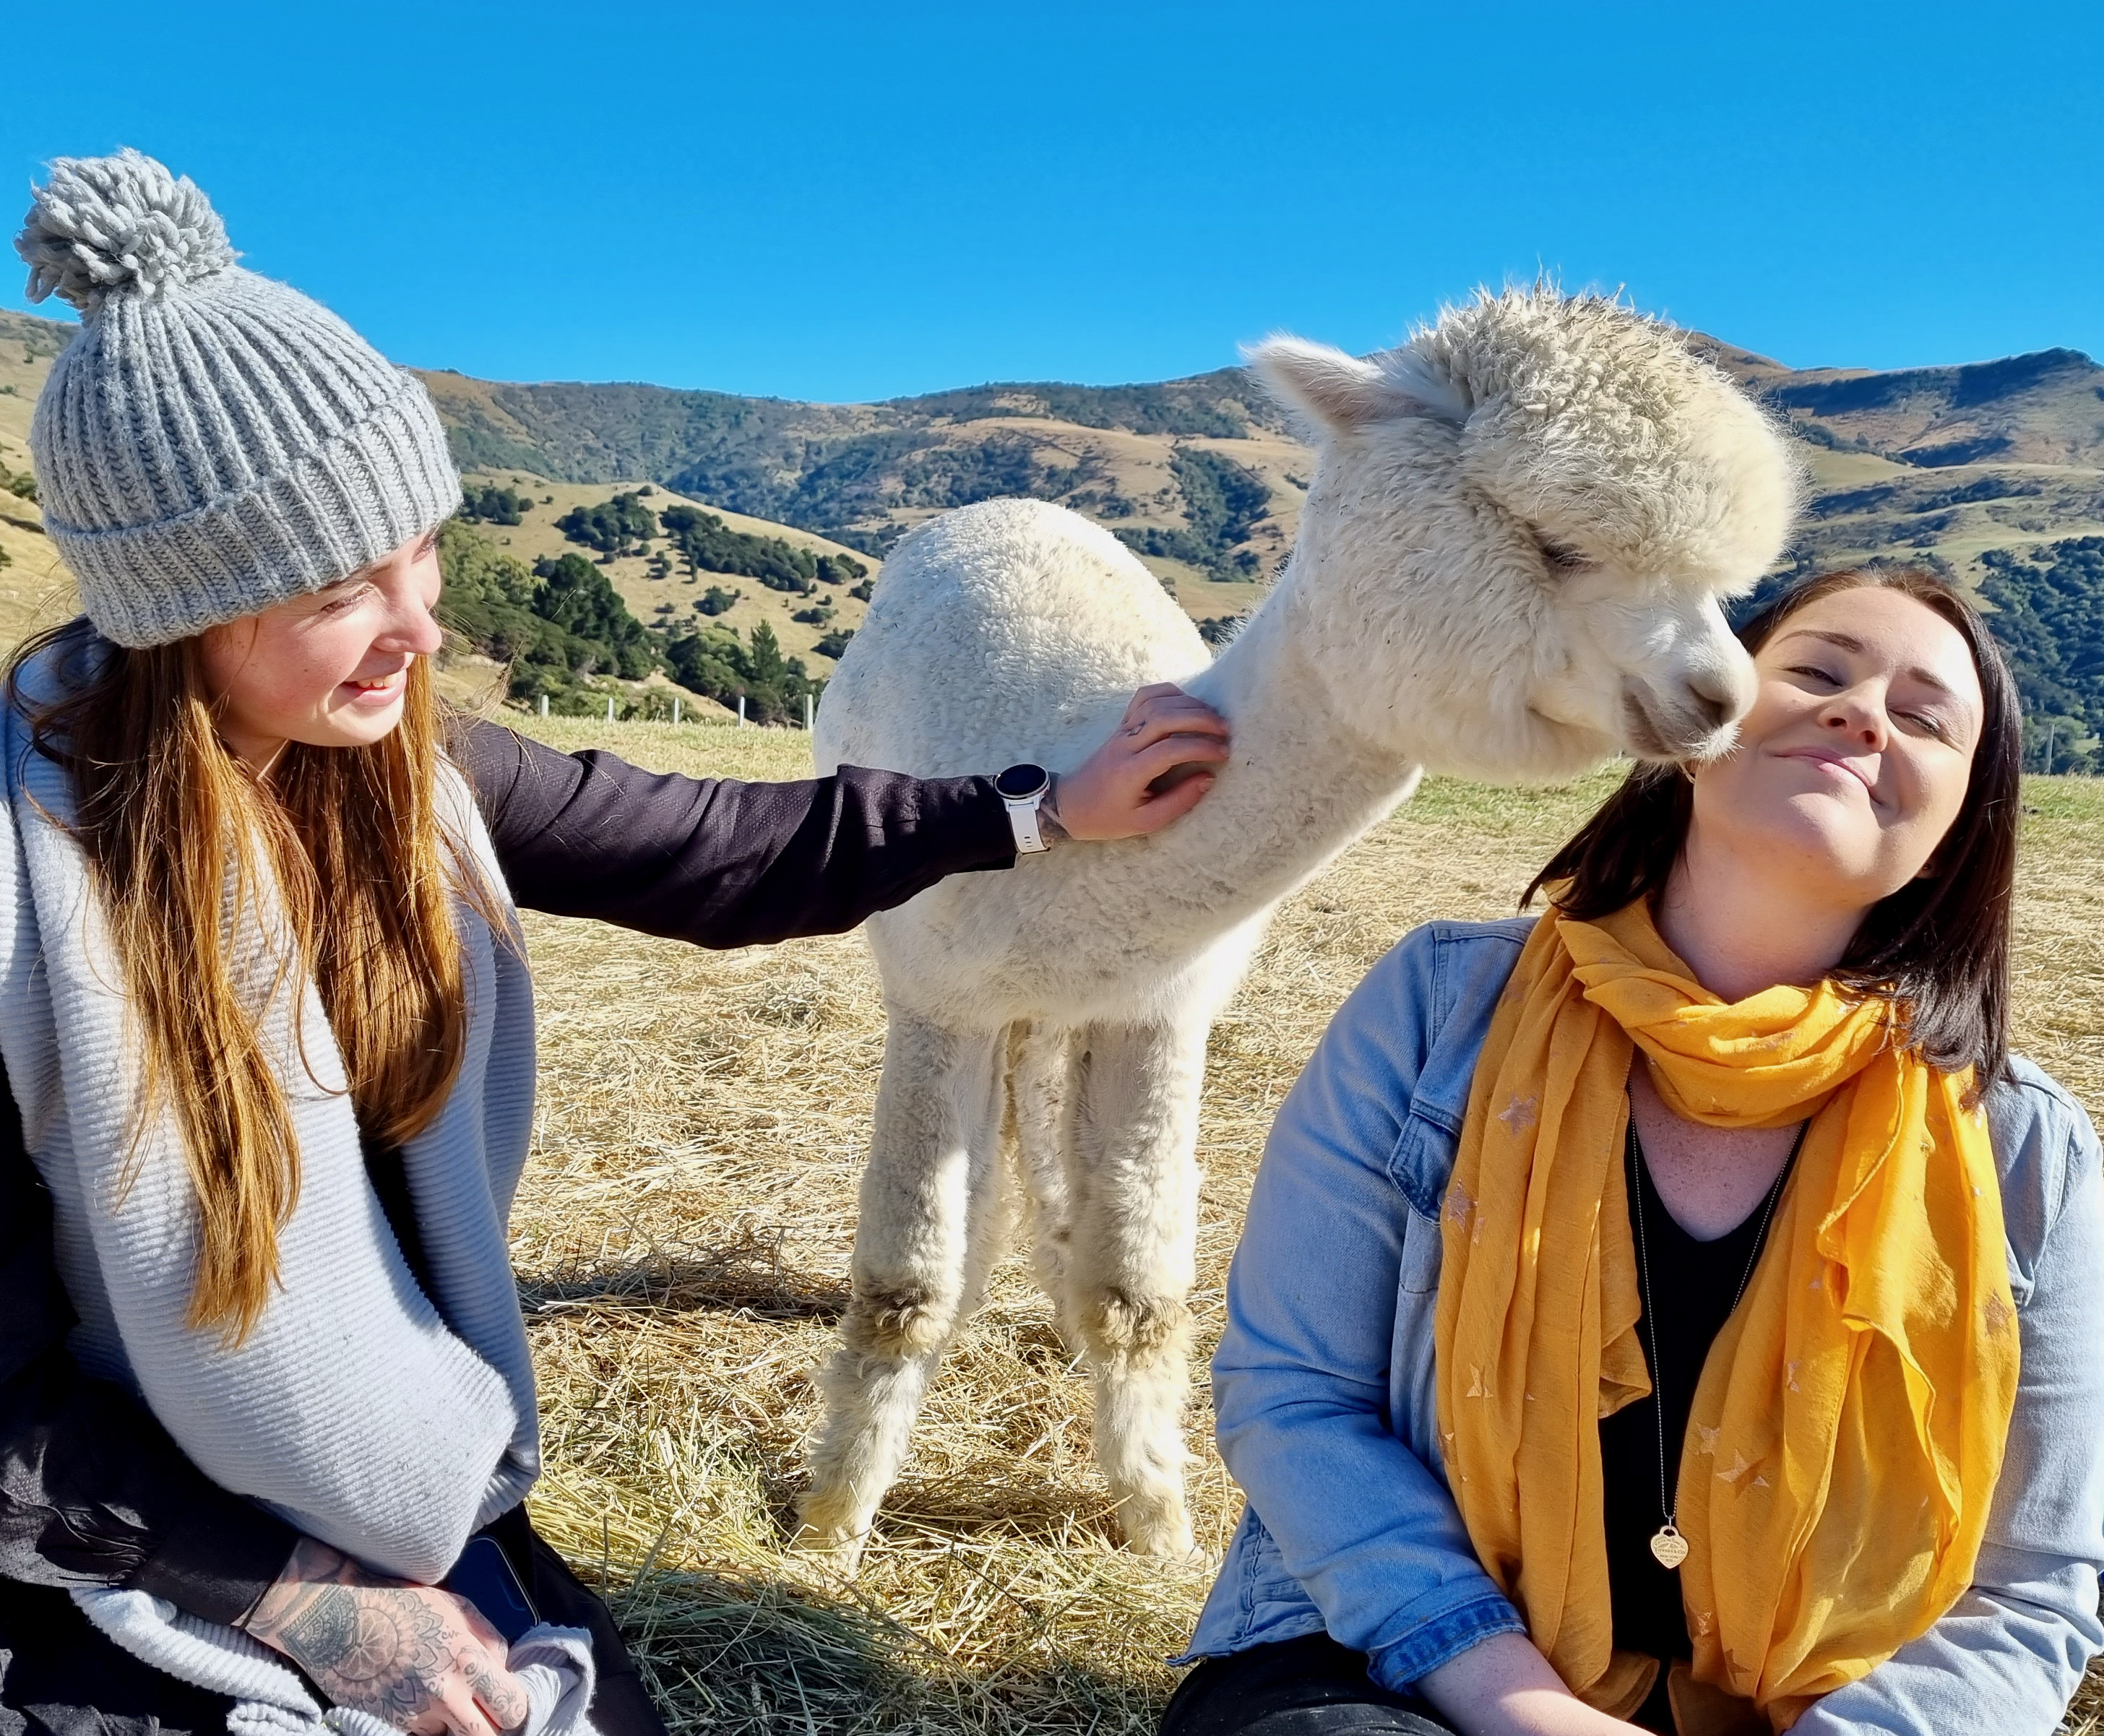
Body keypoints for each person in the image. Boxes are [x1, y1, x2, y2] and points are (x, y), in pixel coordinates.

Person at [0, 152, 1230, 1736]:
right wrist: (310, 1606)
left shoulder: (407, 778)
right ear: (182, 607)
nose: (423, 626)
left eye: (422, 550)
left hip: (384, 1480)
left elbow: (707, 846)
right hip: (108, 1535)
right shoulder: (30, 900)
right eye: (341, 591)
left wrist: (1039, 809)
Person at [1168, 565, 2104, 1736]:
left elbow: (2031, 1586)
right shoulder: (1438, 1008)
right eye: (1817, 670)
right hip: (1398, 1671)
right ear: (1696, 729)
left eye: (1922, 717)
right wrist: (1524, 1708)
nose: (1861, 712)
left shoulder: (2026, 1153)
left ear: (1947, 843)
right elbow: (1296, 1396)